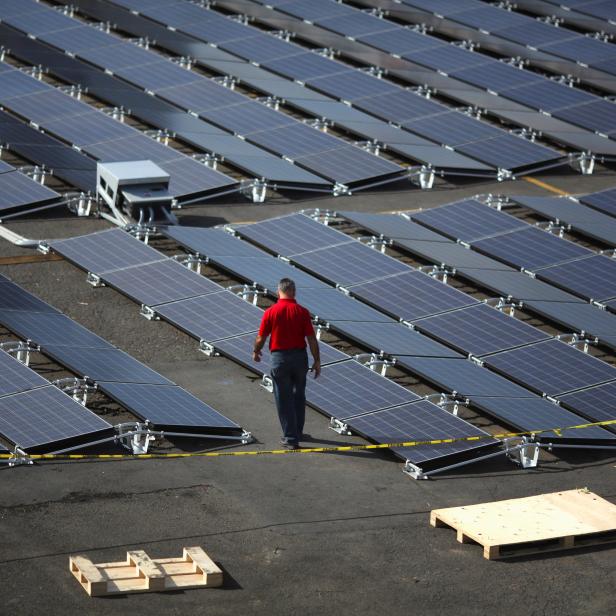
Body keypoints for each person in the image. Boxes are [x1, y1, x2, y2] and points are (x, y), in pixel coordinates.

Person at [253, 278, 321, 449]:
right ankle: (297, 432)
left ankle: (291, 438)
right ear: (294, 292)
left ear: (278, 292)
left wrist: (256, 350)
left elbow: (261, 337)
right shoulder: (302, 312)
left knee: (283, 398)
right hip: (300, 358)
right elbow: (311, 339)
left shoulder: (271, 312)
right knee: (299, 395)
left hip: (280, 358)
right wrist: (317, 360)